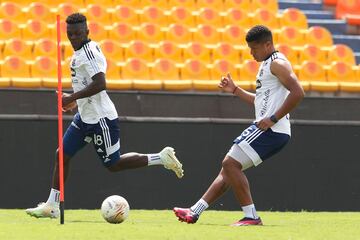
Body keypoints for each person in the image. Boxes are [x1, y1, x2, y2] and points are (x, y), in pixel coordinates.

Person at [26, 13, 184, 218]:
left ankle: (160, 158)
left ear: (87, 32)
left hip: (101, 119)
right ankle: (52, 205)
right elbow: (87, 85)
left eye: (77, 33)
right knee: (62, 154)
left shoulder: (90, 52)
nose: (73, 37)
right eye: (70, 34)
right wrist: (75, 101)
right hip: (84, 117)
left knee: (113, 164)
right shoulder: (78, 54)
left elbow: (100, 84)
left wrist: (70, 97)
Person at [173, 25, 304, 226]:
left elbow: (298, 92)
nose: (251, 53)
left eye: (254, 48)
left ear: (268, 44)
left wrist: (273, 119)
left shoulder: (277, 63)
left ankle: (251, 216)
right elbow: (261, 102)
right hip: (271, 129)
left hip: (271, 130)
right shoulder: (268, 63)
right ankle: (194, 212)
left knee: (230, 164)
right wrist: (235, 90)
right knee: (228, 170)